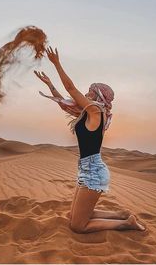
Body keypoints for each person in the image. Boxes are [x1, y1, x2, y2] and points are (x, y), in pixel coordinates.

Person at [34, 46, 146, 233]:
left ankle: (126, 224)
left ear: (98, 96)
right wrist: (49, 85)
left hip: (93, 171)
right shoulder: (88, 113)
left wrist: (57, 64)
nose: (86, 93)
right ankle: (120, 215)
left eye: (90, 92)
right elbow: (64, 103)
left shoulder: (96, 112)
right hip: (87, 168)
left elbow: (70, 89)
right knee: (73, 216)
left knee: (77, 225)